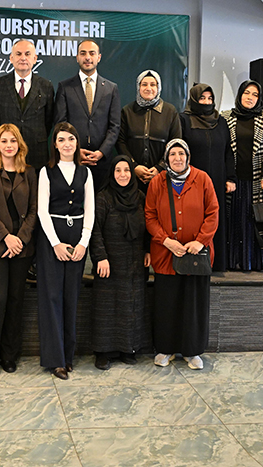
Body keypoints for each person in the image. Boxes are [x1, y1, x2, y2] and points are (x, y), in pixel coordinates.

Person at [144, 139, 218, 370]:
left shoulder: (202, 179)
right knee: (167, 303)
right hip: (166, 255)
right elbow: (150, 216)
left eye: (181, 154)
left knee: (194, 304)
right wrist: (165, 241)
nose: (177, 158)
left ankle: (192, 351)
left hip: (196, 255)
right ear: (167, 158)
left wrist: (200, 241)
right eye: (173, 154)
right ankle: (165, 349)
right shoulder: (157, 182)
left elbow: (213, 212)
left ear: (188, 157)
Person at [0, 124, 38, 378]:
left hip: (22, 248)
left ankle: (9, 355)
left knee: (15, 301)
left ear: (19, 144)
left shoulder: (30, 172)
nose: (9, 145)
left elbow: (34, 209)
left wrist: (19, 239)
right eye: (4, 141)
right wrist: (7, 238)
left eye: (13, 141)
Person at [36, 122, 95, 380]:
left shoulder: (86, 173)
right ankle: (55, 360)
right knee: (52, 297)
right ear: (55, 144)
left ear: (77, 142)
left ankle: (68, 356)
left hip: (77, 237)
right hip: (52, 238)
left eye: (71, 139)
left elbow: (90, 210)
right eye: (61, 140)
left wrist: (83, 243)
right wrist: (55, 243)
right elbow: (42, 211)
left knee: (71, 296)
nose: (67, 144)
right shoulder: (46, 171)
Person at [89, 155, 149, 370]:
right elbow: (94, 230)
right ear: (111, 174)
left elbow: (148, 224)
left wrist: (147, 250)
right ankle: (103, 352)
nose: (123, 175)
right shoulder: (103, 197)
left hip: (134, 260)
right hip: (109, 261)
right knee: (106, 307)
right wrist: (100, 257)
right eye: (118, 170)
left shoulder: (140, 197)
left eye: (126, 170)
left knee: (131, 304)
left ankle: (127, 348)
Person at [221, 81, 263, 272]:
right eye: (247, 93)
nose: (250, 98)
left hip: (257, 180)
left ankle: (255, 262)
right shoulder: (226, 117)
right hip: (234, 180)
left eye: (255, 94)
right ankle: (233, 261)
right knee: (234, 220)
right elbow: (224, 149)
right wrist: (227, 176)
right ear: (240, 95)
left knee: (255, 221)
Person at [180, 83, 236, 272]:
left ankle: (216, 263)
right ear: (194, 99)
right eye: (202, 98)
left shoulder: (221, 122)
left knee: (215, 218)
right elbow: (180, 151)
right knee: (194, 219)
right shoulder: (183, 120)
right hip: (192, 181)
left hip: (218, 180)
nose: (206, 102)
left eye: (210, 98)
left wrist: (230, 178)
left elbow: (228, 151)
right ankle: (192, 262)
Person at [54, 40, 121, 189]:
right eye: (83, 53)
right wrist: (75, 150)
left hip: (102, 163)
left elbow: (115, 126)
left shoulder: (111, 88)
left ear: (99, 57)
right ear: (77, 57)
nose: (88, 57)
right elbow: (60, 124)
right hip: (72, 159)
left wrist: (101, 152)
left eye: (92, 53)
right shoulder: (65, 87)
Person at [0, 39, 54, 170]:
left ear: (35, 58)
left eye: (27, 54)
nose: (23, 58)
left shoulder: (46, 86)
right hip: (7, 153)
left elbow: (48, 120)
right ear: (11, 58)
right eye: (18, 54)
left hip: (37, 152)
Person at [118, 70, 182, 192]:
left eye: (153, 84)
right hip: (131, 177)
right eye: (144, 84)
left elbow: (175, 142)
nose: (148, 88)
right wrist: (134, 166)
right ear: (138, 87)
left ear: (159, 87)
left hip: (162, 176)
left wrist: (159, 167)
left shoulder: (170, 111)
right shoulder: (127, 111)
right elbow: (120, 141)